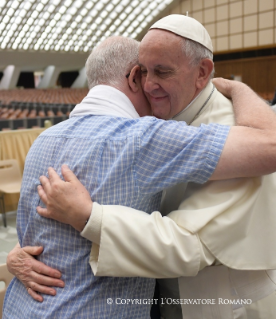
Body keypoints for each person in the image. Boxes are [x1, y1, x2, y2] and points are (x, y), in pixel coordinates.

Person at [6, 17, 276, 318]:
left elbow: (189, 247)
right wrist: (21, 250)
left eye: (162, 72)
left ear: (202, 73)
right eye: (144, 72)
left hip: (213, 302)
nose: (147, 85)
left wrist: (89, 217)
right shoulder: (150, 125)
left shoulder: (230, 127)